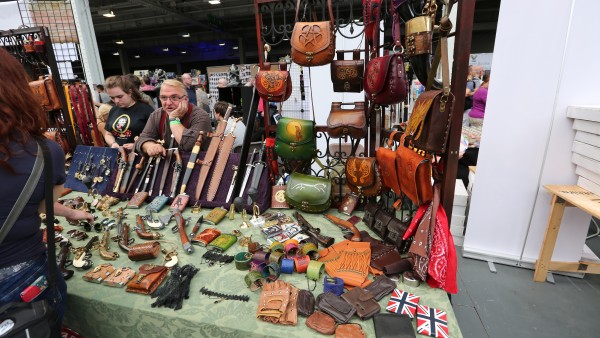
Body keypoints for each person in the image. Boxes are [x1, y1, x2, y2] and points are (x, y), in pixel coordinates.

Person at [0, 47, 93, 327]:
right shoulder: (44, 151)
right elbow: (41, 203)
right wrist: (72, 212)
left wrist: (73, 214)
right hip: (23, 275)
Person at [135, 79, 212, 156]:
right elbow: (142, 139)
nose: (168, 103)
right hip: (168, 165)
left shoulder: (200, 116)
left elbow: (188, 146)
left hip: (199, 165)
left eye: (174, 97)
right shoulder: (157, 115)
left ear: (185, 99)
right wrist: (150, 146)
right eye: (164, 97)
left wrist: (174, 119)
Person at [103, 75, 154, 150]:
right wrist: (113, 143)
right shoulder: (113, 110)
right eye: (112, 97)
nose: (116, 101)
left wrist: (138, 145)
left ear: (129, 92)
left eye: (120, 96)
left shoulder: (146, 110)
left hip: (140, 156)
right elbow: (108, 134)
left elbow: (155, 136)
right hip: (118, 155)